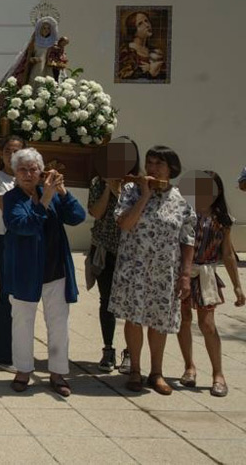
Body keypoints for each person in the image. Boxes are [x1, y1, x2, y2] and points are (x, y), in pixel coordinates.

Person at [109, 146, 196, 395]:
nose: (153, 168)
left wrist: (185, 275)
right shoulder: (130, 191)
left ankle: (156, 372)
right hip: (134, 267)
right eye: (150, 162)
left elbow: (187, 239)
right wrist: (144, 196)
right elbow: (125, 224)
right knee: (134, 318)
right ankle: (135, 369)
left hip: (164, 270)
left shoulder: (180, 199)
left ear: (171, 169)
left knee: (159, 320)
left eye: (159, 163)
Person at [3, 148, 86, 395]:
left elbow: (78, 217)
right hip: (25, 270)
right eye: (22, 169)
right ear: (15, 173)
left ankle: (58, 372)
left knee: (58, 323)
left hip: (55, 268)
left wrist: (63, 192)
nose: (28, 174)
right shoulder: (12, 198)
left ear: (41, 172)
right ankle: (23, 370)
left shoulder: (51, 192)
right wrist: (47, 199)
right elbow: (22, 226)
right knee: (22, 322)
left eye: (33, 169)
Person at [176, 171, 244, 397]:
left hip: (206, 274)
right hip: (183, 273)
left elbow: (227, 254)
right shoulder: (184, 213)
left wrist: (237, 285)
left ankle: (218, 373)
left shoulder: (222, 219)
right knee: (183, 320)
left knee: (207, 324)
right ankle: (189, 367)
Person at [86, 137, 140, 374]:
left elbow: (132, 217)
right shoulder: (98, 182)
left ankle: (130, 353)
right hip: (104, 249)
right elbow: (96, 213)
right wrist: (109, 187)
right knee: (106, 301)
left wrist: (120, 191)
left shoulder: (140, 185)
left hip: (131, 252)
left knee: (130, 304)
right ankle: (108, 348)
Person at [0, 135, 25, 369]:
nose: (12, 155)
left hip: (28, 241)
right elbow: (10, 209)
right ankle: (2, 354)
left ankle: (19, 349)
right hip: (6, 240)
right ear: (1, 155)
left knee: (23, 299)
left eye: (17, 151)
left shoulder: (30, 178)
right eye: (8, 151)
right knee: (7, 297)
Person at [117, 11, 166, 81]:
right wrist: (149, 72)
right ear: (133, 29)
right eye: (140, 23)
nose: (147, 25)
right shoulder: (126, 51)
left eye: (146, 21)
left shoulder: (155, 51)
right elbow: (124, 77)